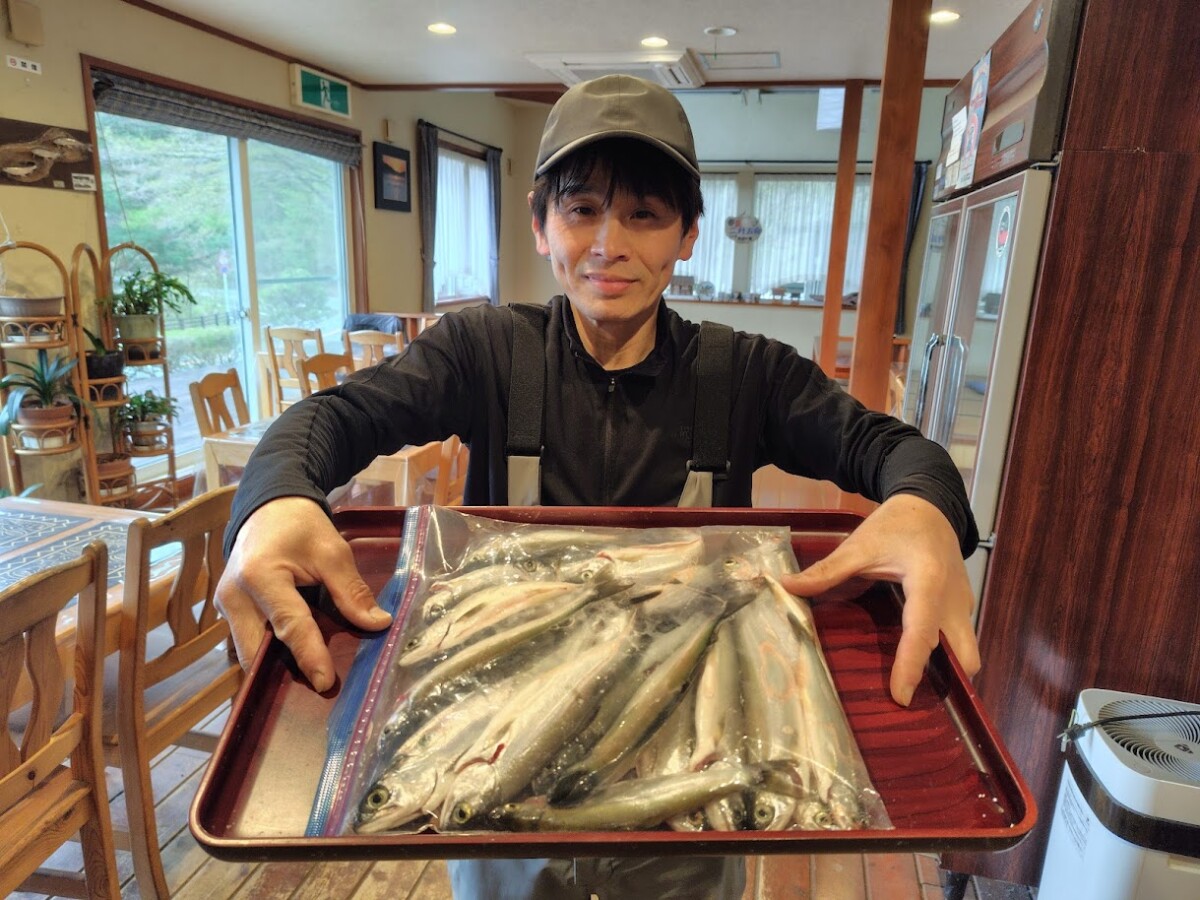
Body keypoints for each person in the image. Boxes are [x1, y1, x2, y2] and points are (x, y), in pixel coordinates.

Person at [215, 74, 980, 900]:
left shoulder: (744, 373)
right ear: (541, 223)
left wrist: (925, 507)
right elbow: (333, 418)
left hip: (689, 784)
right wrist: (275, 499)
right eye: (582, 209)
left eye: (644, 215)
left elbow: (890, 448)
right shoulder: (485, 352)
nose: (609, 243)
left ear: (688, 235)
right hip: (500, 774)